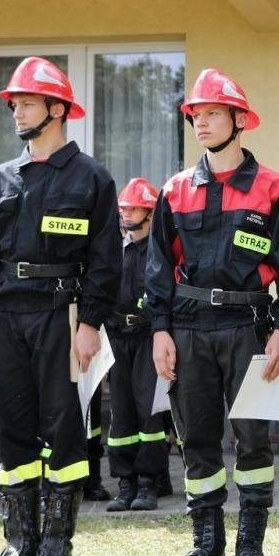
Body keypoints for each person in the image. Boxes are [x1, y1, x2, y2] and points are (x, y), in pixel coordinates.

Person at [0, 57, 122, 556]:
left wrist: (91, 323)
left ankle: (56, 550)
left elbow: (105, 259)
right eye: (14, 103)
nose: (16, 111)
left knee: (63, 428)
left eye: (26, 102)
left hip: (63, 315)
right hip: (6, 317)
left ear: (57, 109)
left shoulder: (92, 177)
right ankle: (17, 547)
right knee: (9, 431)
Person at [147, 69, 279, 556]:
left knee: (253, 441)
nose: (202, 122)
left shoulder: (272, 189)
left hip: (250, 328)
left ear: (239, 120)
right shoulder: (174, 190)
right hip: (188, 329)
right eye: (196, 114)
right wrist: (159, 330)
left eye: (213, 113)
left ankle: (250, 552)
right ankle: (205, 550)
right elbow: (157, 269)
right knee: (198, 441)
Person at [103, 177, 171, 513]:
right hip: (118, 339)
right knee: (121, 414)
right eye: (124, 209)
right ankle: (124, 483)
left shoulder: (160, 252)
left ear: (149, 213)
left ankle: (149, 483)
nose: (127, 214)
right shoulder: (115, 251)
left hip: (148, 337)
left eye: (134, 208)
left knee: (150, 413)